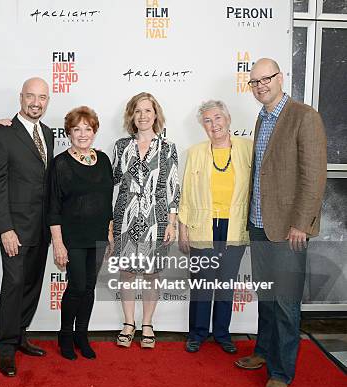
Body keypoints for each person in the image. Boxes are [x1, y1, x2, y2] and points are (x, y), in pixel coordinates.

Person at [235, 58, 326, 387]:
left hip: (290, 230)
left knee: (286, 304)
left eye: (266, 79)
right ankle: (264, 351)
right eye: (254, 82)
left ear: (280, 77)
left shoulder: (304, 116)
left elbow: (313, 176)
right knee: (267, 298)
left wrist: (301, 224)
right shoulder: (262, 118)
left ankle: (280, 373)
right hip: (259, 225)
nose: (260, 85)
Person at [0, 77, 54, 377]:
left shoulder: (48, 134)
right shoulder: (2, 134)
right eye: (30, 96)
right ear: (20, 97)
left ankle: (21, 333)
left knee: (31, 284)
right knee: (13, 285)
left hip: (41, 228)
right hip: (14, 228)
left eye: (42, 97)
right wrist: (4, 228)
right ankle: (6, 348)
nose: (36, 102)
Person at [178, 100, 253, 354]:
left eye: (218, 117)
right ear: (203, 126)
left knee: (225, 283)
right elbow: (186, 193)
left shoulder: (247, 148)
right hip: (203, 226)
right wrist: (183, 228)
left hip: (234, 226)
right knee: (202, 284)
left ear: (228, 119)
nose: (214, 124)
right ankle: (197, 333)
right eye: (208, 121)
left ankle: (222, 333)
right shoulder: (196, 152)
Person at [112, 92, 179, 349]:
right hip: (125, 218)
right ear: (132, 115)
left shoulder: (168, 148)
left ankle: (148, 323)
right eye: (137, 111)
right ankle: (129, 323)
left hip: (157, 218)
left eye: (147, 111)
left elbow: (173, 187)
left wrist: (171, 222)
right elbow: (115, 185)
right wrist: (111, 223)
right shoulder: (120, 147)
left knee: (152, 274)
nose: (142, 116)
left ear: (155, 115)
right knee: (127, 272)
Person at [48, 106, 113, 360]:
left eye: (88, 129)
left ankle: (81, 335)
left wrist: (109, 232)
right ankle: (65, 335)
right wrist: (58, 243)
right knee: (75, 286)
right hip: (72, 237)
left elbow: (107, 199)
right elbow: (53, 207)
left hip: (97, 235)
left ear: (95, 131)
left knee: (89, 287)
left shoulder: (104, 160)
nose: (83, 134)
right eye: (77, 129)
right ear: (69, 133)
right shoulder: (60, 163)